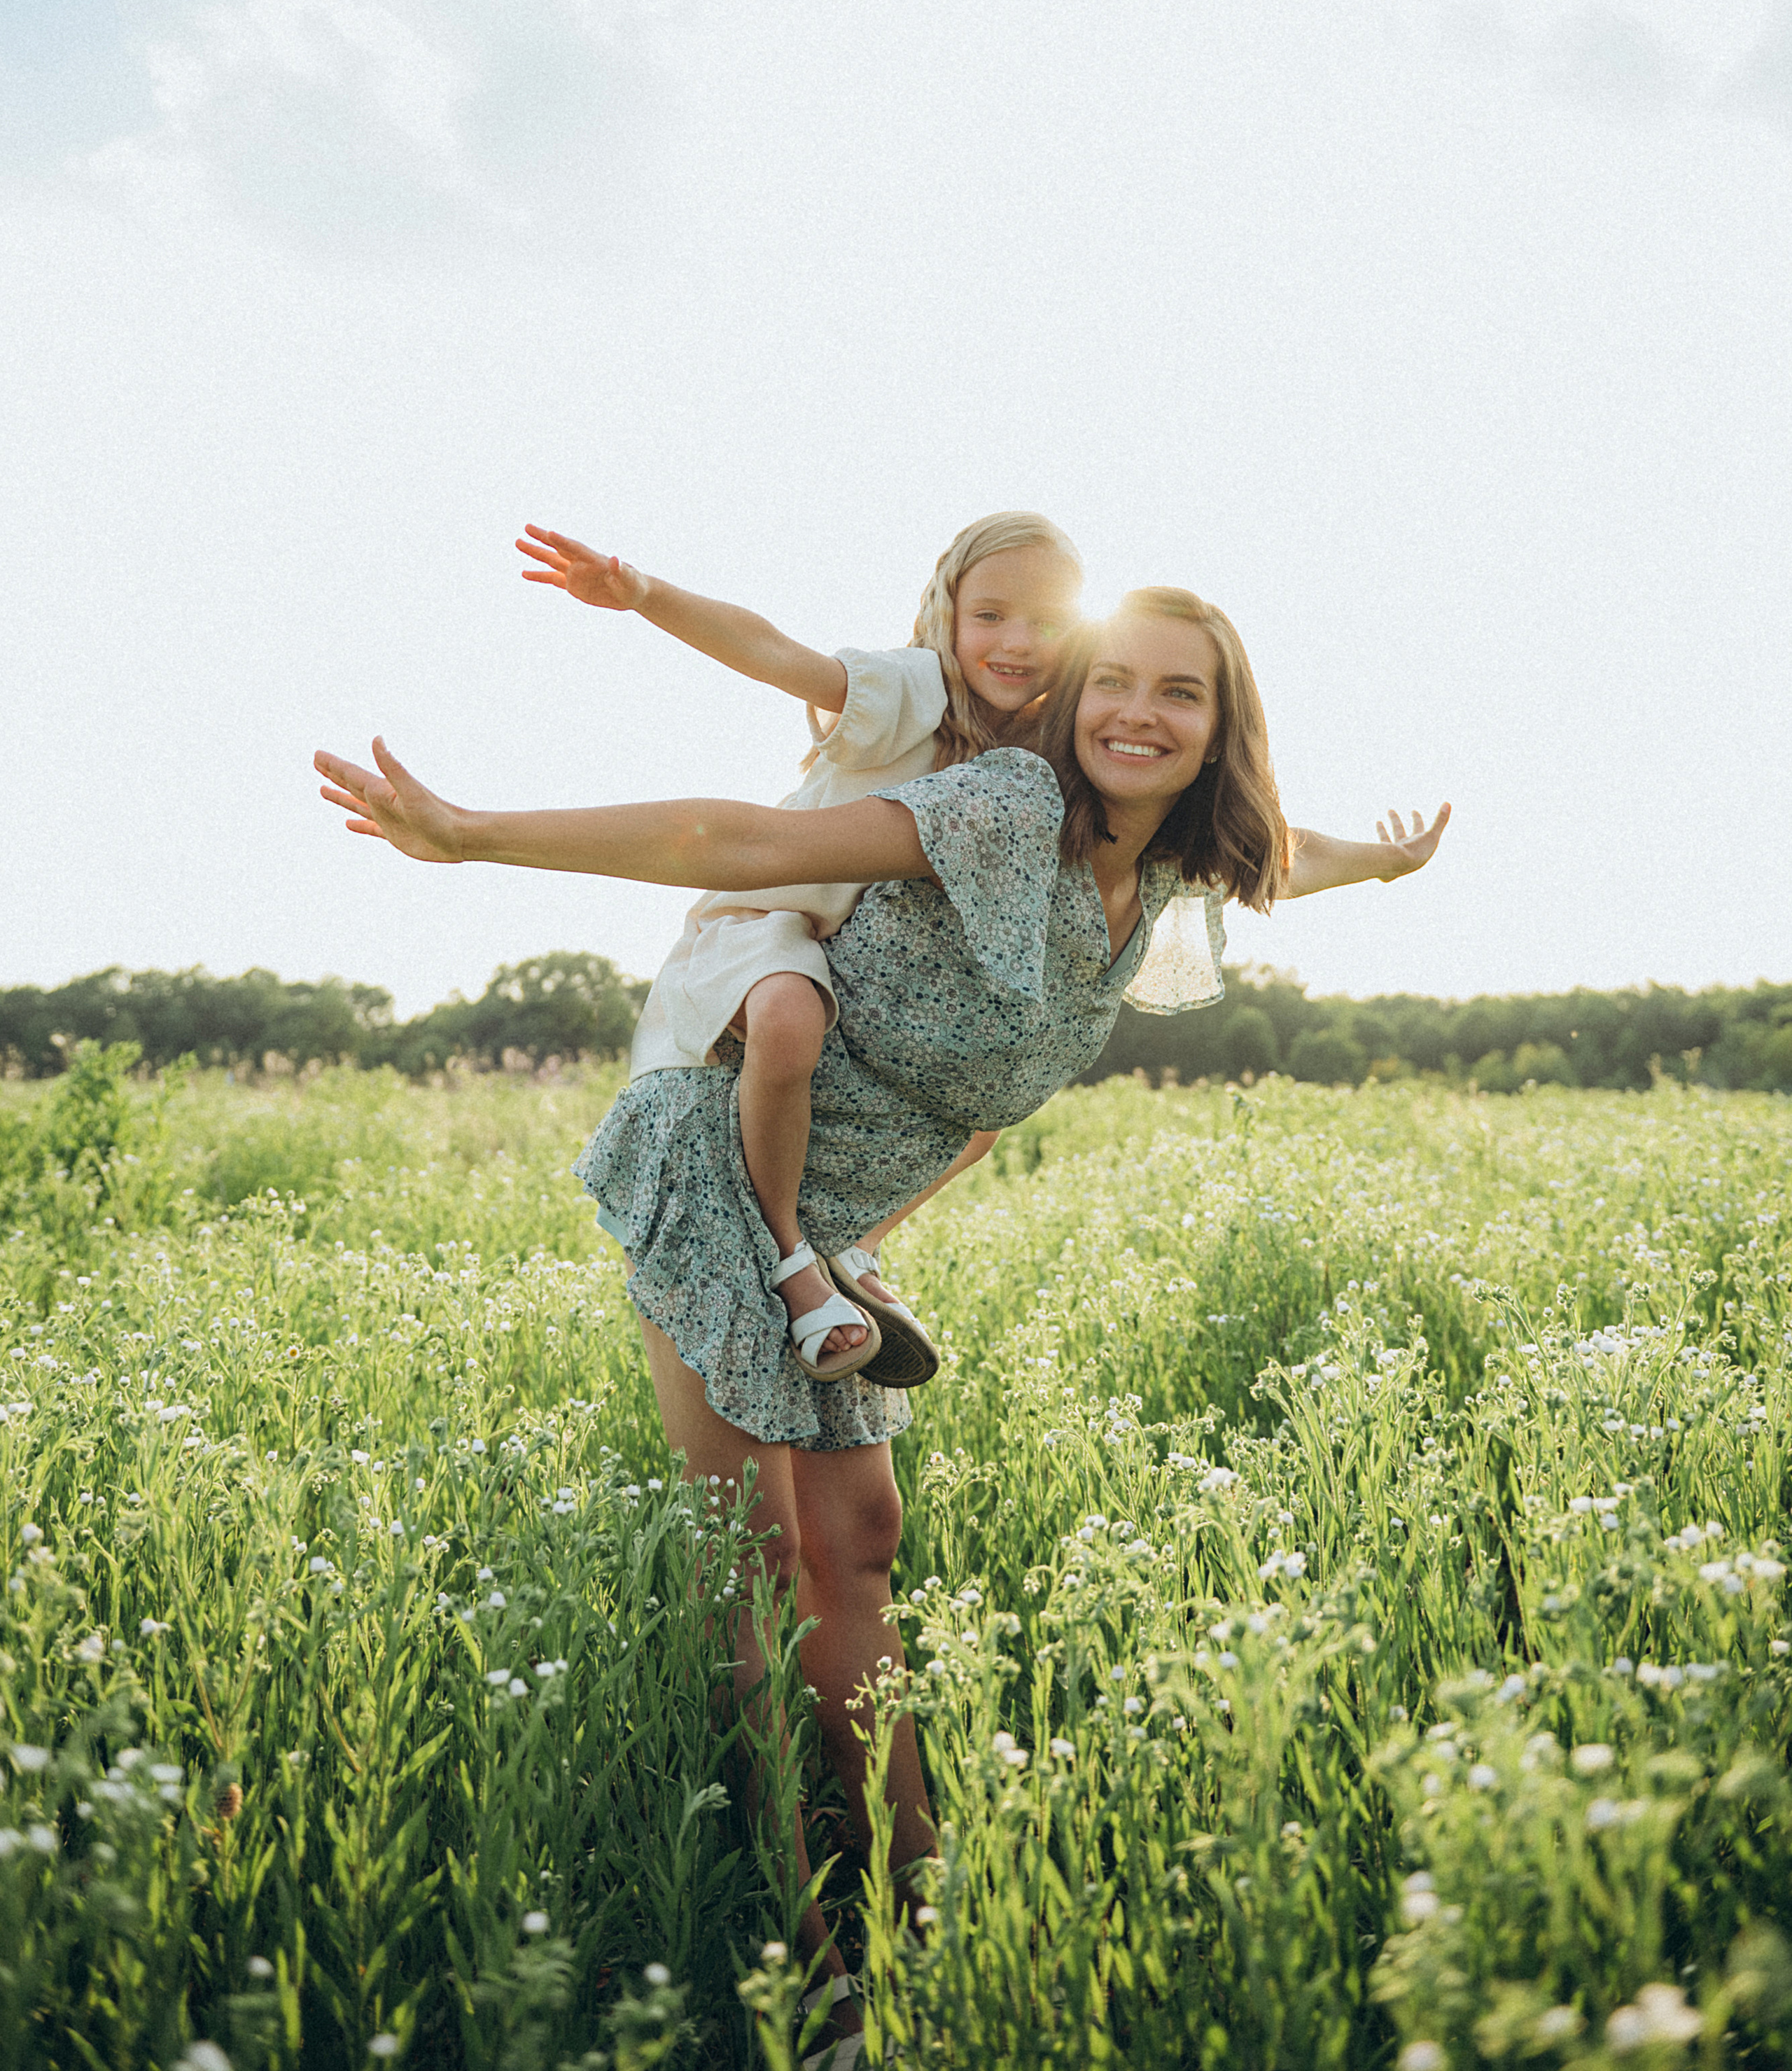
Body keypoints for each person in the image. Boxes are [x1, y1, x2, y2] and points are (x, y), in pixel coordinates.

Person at [316, 584, 1448, 2060]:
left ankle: (919, 1916)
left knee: (858, 1552)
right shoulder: (997, 808)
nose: (1133, 713)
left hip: (830, 1232)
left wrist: (1396, 864)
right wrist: (473, 836)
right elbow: (737, 845)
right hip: (716, 1163)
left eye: (1178, 695)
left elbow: (1285, 856)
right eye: (1112, 680)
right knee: (762, 1562)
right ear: (1065, 697)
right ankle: (816, 1967)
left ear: (1219, 729)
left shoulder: (1164, 877)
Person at [515, 510, 1084, 1383]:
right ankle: (792, 1260)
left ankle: (859, 1245)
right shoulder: (913, 689)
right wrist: (641, 593)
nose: (1017, 642)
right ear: (948, 612)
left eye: (1048, 622)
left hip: (848, 962)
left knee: (983, 1114)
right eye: (992, 615)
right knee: (785, 1021)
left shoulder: (1039, 754)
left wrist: (1378, 865)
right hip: (764, 921)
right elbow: (776, 653)